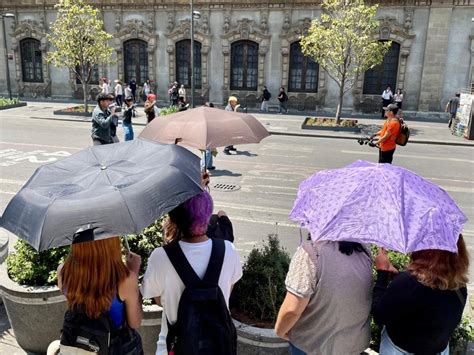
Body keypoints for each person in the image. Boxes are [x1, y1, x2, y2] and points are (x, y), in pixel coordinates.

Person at [141, 192, 242, 355]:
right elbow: (227, 292)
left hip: (176, 346)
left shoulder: (161, 256)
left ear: (174, 219)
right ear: (208, 215)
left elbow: (158, 300)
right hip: (218, 345)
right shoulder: (228, 250)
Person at [372, 235, 469, 354]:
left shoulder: (407, 283)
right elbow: (429, 297)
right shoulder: (459, 285)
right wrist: (397, 276)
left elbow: (379, 315)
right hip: (438, 350)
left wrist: (382, 273)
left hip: (399, 350)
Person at [275, 240, 372, 355]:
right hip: (352, 346)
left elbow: (292, 310)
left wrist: (279, 331)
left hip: (312, 346)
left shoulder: (310, 253)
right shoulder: (364, 252)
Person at [58, 233, 143, 354]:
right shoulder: (125, 280)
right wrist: (134, 271)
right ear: (111, 243)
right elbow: (135, 322)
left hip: (79, 345)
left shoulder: (63, 272)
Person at [201, 102, 216, 170]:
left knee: (211, 149)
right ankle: (203, 168)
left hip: (209, 134)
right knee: (208, 150)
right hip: (206, 135)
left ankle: (209, 165)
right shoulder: (205, 115)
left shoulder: (207, 114)